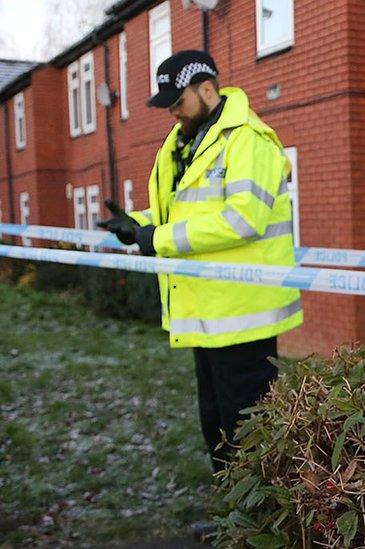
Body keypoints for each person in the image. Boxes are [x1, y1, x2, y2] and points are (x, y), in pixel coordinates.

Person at [96, 50, 302, 478]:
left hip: (245, 317)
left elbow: (243, 219)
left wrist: (156, 239)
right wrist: (137, 226)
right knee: (218, 429)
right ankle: (233, 523)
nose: (172, 111)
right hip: (207, 313)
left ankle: (256, 532)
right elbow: (184, 214)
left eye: (178, 101)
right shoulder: (186, 141)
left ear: (207, 88)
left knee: (251, 435)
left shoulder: (249, 140)